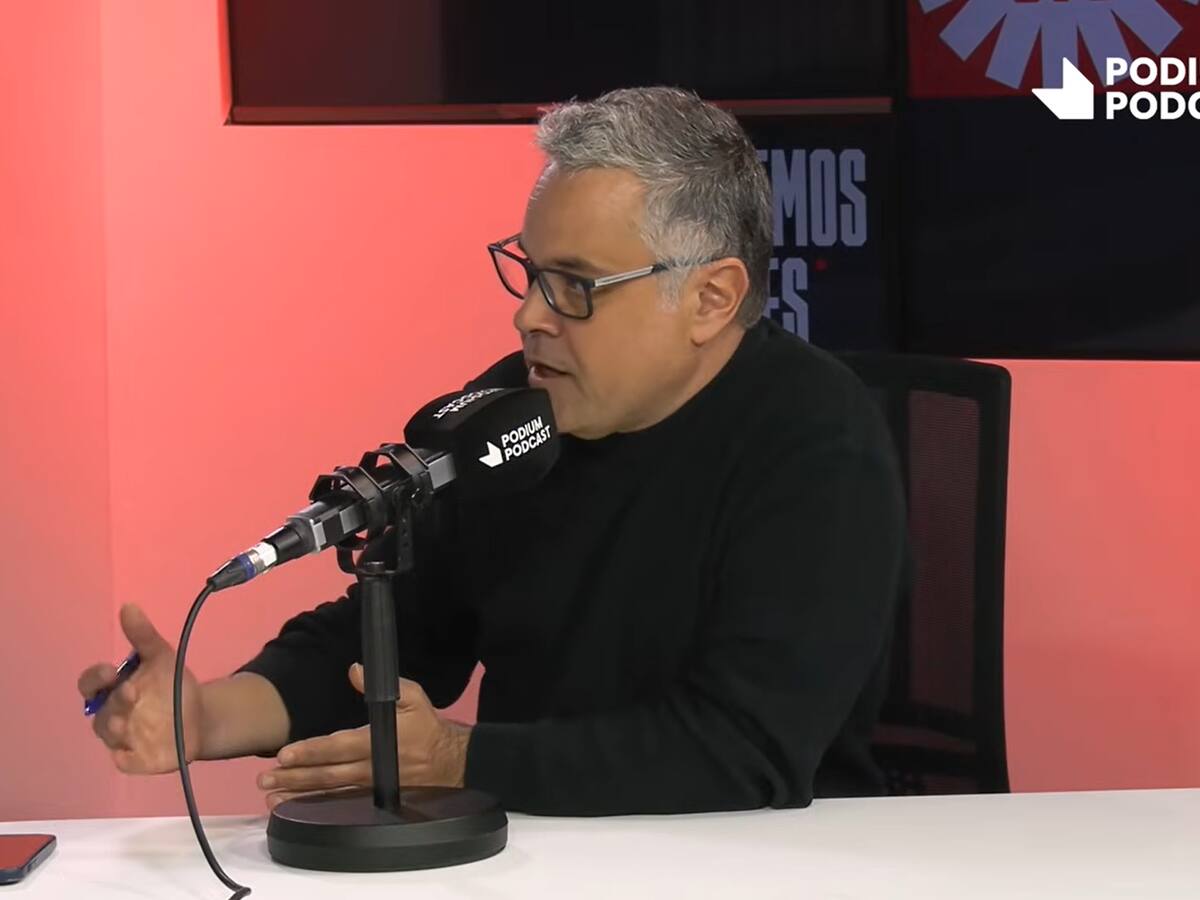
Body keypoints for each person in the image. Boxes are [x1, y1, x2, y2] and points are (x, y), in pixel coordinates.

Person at [78, 86, 906, 816]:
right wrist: (205, 717)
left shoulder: (817, 437)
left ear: (710, 298)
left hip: (765, 857)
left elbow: (746, 747)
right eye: (530, 272)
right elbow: (400, 631)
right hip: (537, 850)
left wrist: (459, 761)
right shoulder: (511, 414)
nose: (529, 316)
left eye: (574, 286)